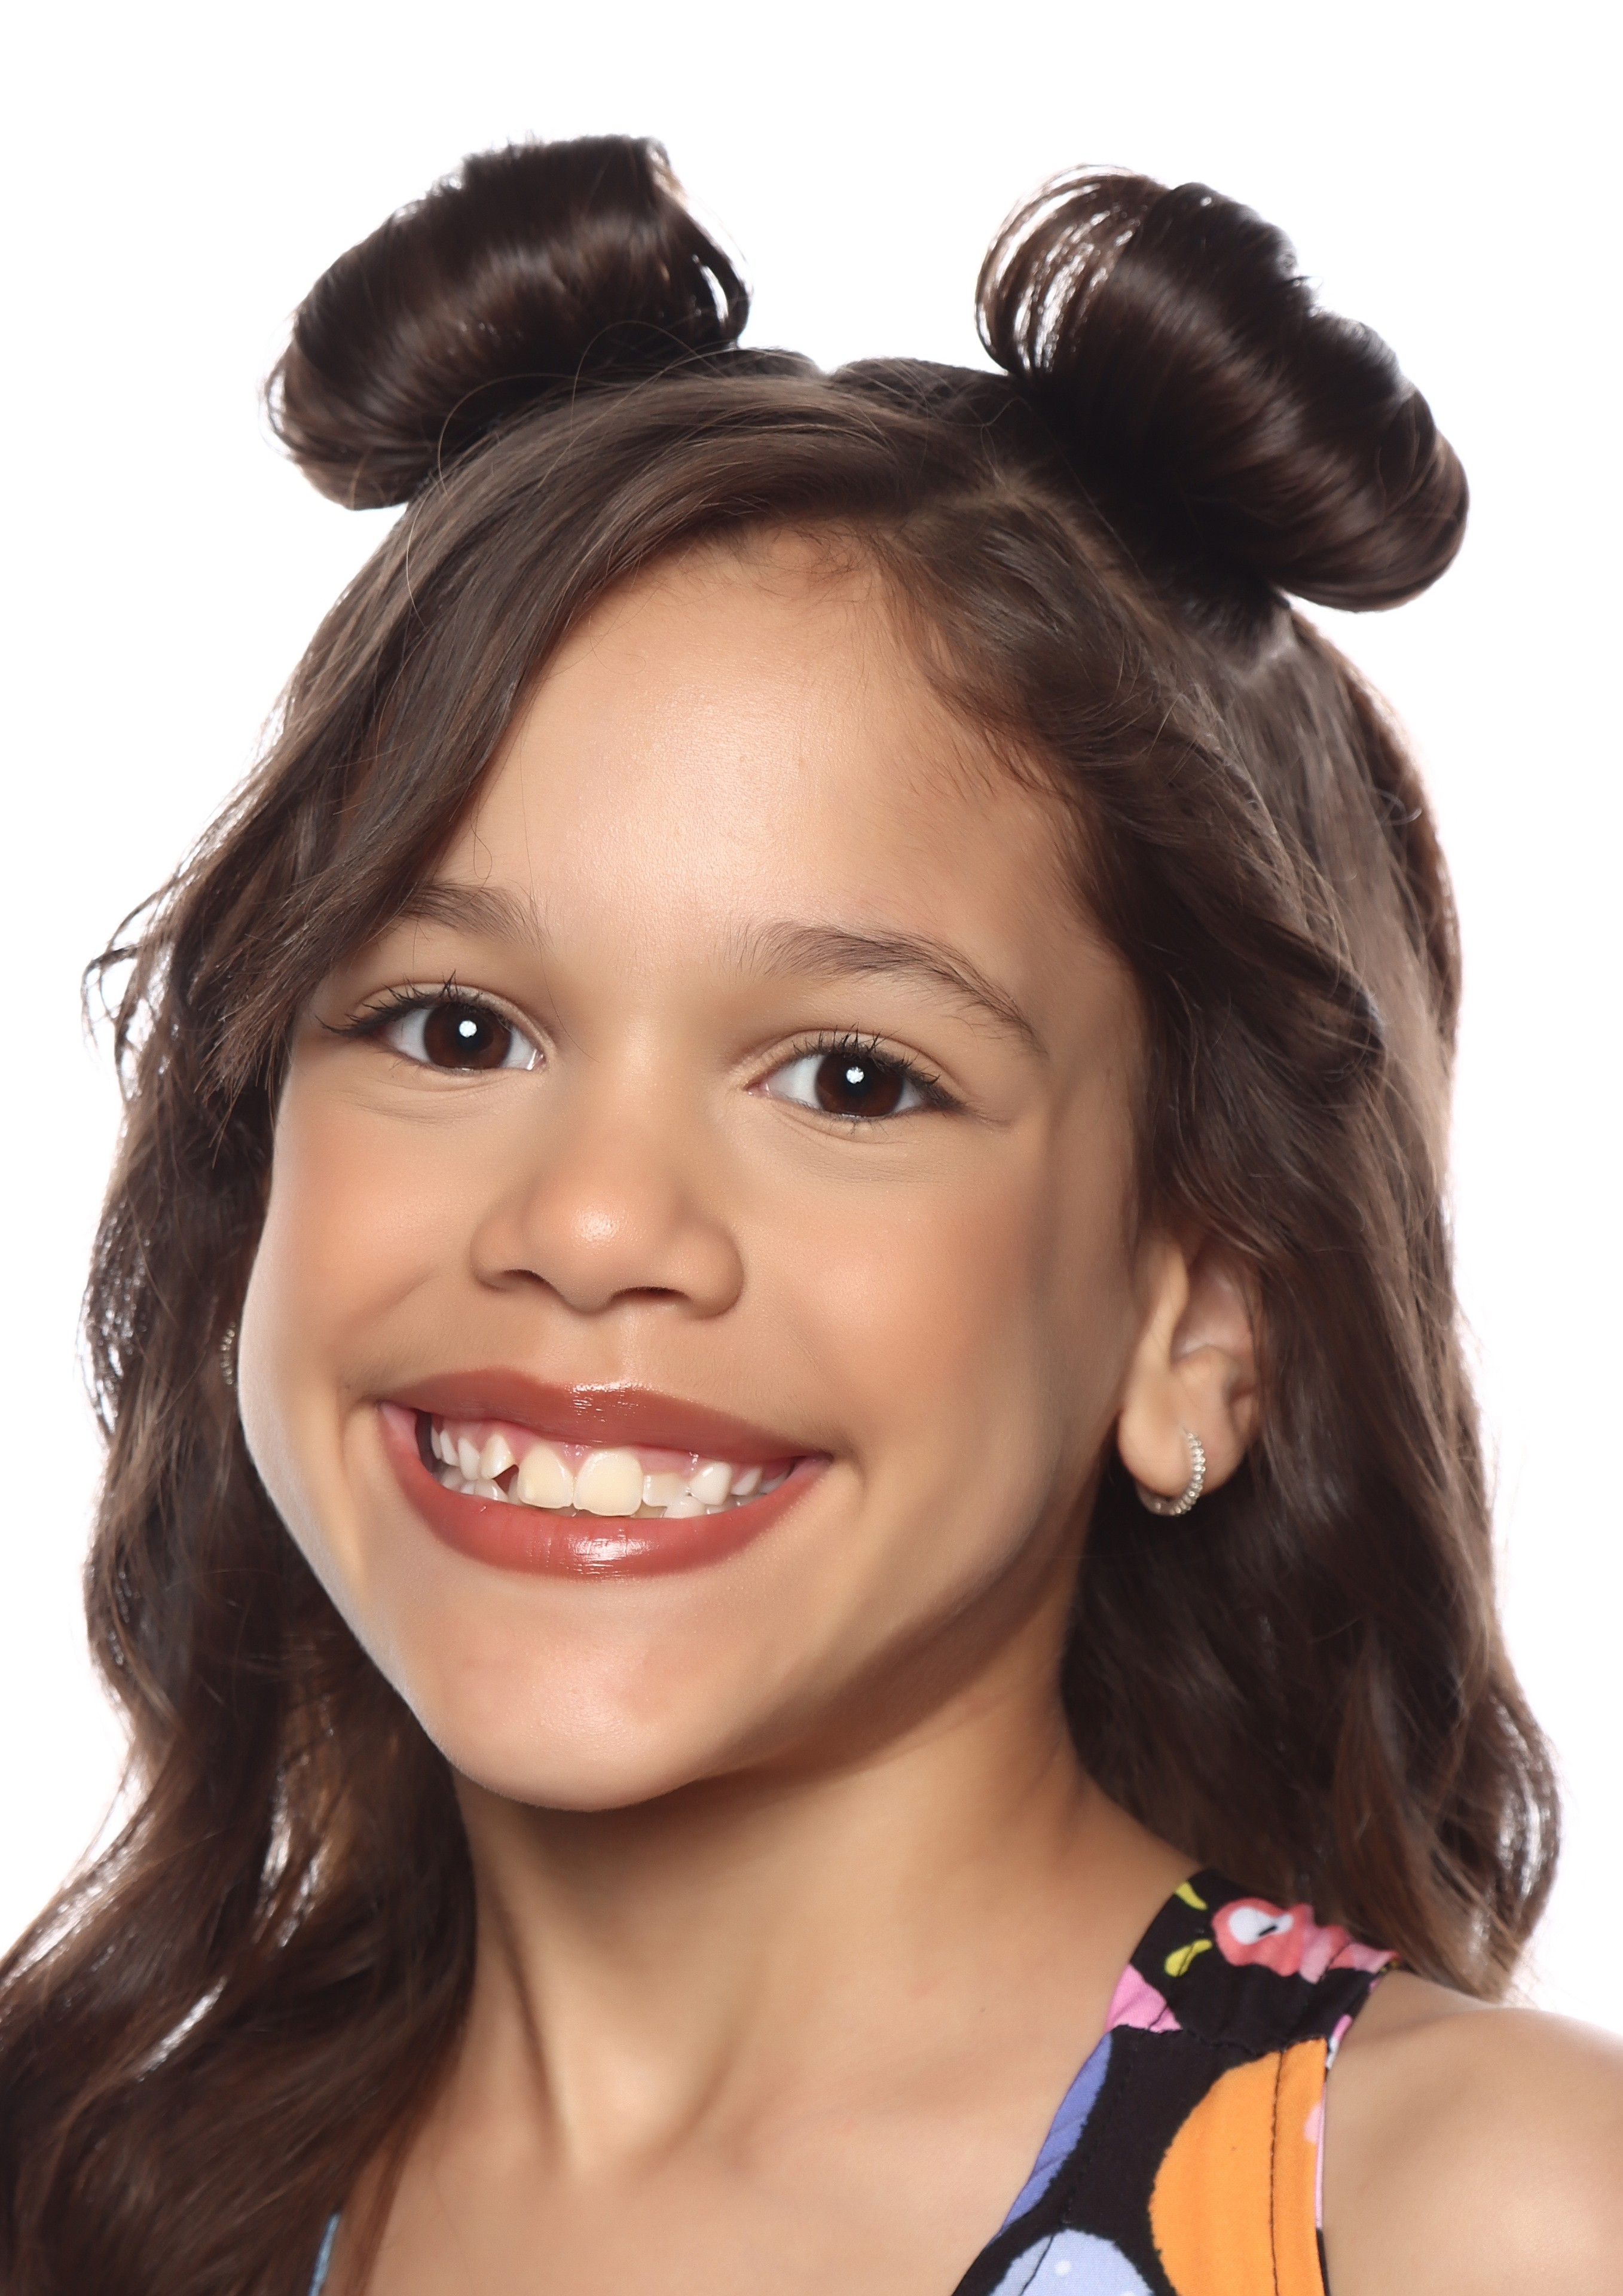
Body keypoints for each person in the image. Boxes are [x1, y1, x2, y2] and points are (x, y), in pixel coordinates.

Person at [1, 135, 1618, 2296]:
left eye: (852, 1078)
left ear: (1199, 1315)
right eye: (456, 1029)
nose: (592, 1225)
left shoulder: (1464, 2219)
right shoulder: (83, 2195)